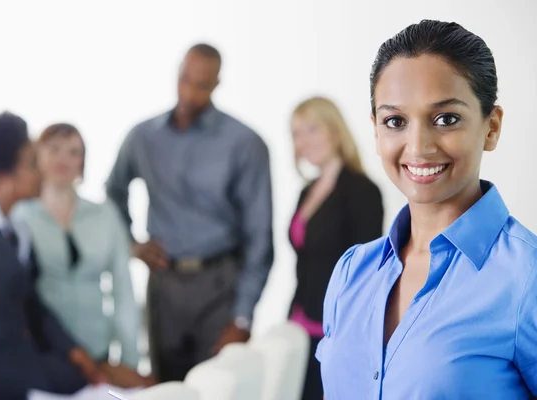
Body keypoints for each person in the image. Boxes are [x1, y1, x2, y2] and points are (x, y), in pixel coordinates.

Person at [316, 20, 537, 399]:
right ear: (375, 129)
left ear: (491, 127)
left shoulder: (526, 278)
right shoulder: (351, 273)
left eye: (446, 119)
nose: (417, 147)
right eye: (395, 121)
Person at [106, 43, 273, 382]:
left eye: (201, 84)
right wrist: (131, 244)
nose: (189, 92)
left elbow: (260, 236)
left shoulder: (244, 143)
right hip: (163, 286)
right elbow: (114, 190)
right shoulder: (143, 137)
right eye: (184, 79)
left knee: (216, 387)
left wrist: (242, 317)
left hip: (218, 286)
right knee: (166, 388)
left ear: (216, 85)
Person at [0, 112, 106, 399]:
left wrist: (74, 351)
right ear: (2, 175)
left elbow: (31, 303)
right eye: (31, 164)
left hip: (25, 371)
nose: (41, 172)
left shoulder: (18, 230)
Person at [12, 123, 155, 388]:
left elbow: (123, 292)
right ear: (37, 157)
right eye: (53, 150)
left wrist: (129, 360)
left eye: (73, 152)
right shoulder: (19, 216)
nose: (62, 159)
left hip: (96, 352)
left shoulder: (105, 215)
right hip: (41, 353)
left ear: (83, 162)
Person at [288, 96, 383, 400]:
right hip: (298, 321)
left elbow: (367, 273)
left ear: (334, 130)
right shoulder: (307, 191)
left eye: (312, 129)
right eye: (296, 133)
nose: (303, 141)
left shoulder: (362, 191)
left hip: (334, 329)